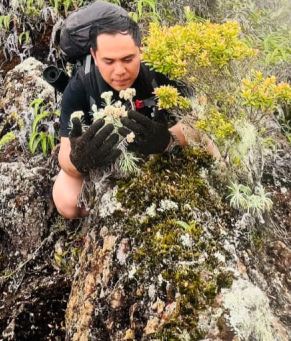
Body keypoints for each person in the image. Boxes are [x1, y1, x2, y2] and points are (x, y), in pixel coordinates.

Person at [52, 16, 190, 219]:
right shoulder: (80, 86)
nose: (120, 71)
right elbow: (64, 156)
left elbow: (201, 119)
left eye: (128, 59)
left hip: (157, 153)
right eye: (109, 61)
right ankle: (104, 215)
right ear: (95, 56)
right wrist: (79, 159)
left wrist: (169, 139)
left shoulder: (159, 70)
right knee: (67, 203)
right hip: (104, 161)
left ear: (141, 50)